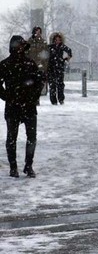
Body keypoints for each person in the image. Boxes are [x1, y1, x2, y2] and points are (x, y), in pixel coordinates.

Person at [1, 35, 45, 178]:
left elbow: (38, 82)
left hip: (28, 105)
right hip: (13, 106)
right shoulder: (5, 64)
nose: (20, 48)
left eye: (22, 45)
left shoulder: (29, 63)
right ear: (13, 46)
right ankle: (13, 167)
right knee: (11, 137)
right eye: (18, 45)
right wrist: (6, 96)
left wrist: (34, 96)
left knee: (31, 137)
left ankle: (28, 165)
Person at [47, 32, 72, 105]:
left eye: (59, 40)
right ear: (54, 40)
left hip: (59, 68)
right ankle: (53, 100)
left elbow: (69, 51)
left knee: (60, 84)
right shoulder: (50, 47)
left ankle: (61, 99)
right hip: (51, 67)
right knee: (52, 85)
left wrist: (65, 59)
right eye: (56, 40)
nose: (57, 41)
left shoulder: (62, 47)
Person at [27, 26, 49, 100]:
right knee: (32, 84)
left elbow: (46, 55)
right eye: (37, 31)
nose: (38, 33)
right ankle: (34, 99)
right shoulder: (29, 42)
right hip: (31, 66)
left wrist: (45, 67)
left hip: (40, 66)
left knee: (39, 84)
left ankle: (36, 97)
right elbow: (26, 54)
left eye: (39, 32)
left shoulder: (43, 42)